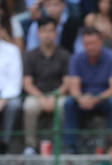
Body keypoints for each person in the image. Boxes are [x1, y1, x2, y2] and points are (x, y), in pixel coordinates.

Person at [62, 27, 112, 154]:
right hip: (84, 97)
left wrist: (96, 99)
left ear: (101, 42)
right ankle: (70, 147)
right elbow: (73, 88)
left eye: (93, 43)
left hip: (104, 97)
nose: (90, 47)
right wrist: (81, 98)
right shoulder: (76, 58)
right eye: (86, 44)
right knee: (69, 103)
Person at [22, 16, 70, 155]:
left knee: (63, 106)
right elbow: (27, 83)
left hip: (58, 94)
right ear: (38, 33)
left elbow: (67, 83)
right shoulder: (30, 55)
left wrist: (54, 97)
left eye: (51, 31)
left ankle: (60, 144)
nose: (47, 35)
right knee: (29, 106)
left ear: (56, 33)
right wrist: (42, 98)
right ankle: (30, 146)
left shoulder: (64, 54)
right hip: (37, 95)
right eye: (44, 31)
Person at [0, 26, 21, 154]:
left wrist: (3, 99)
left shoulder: (12, 50)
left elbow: (15, 81)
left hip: (8, 95)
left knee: (14, 104)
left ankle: (4, 144)